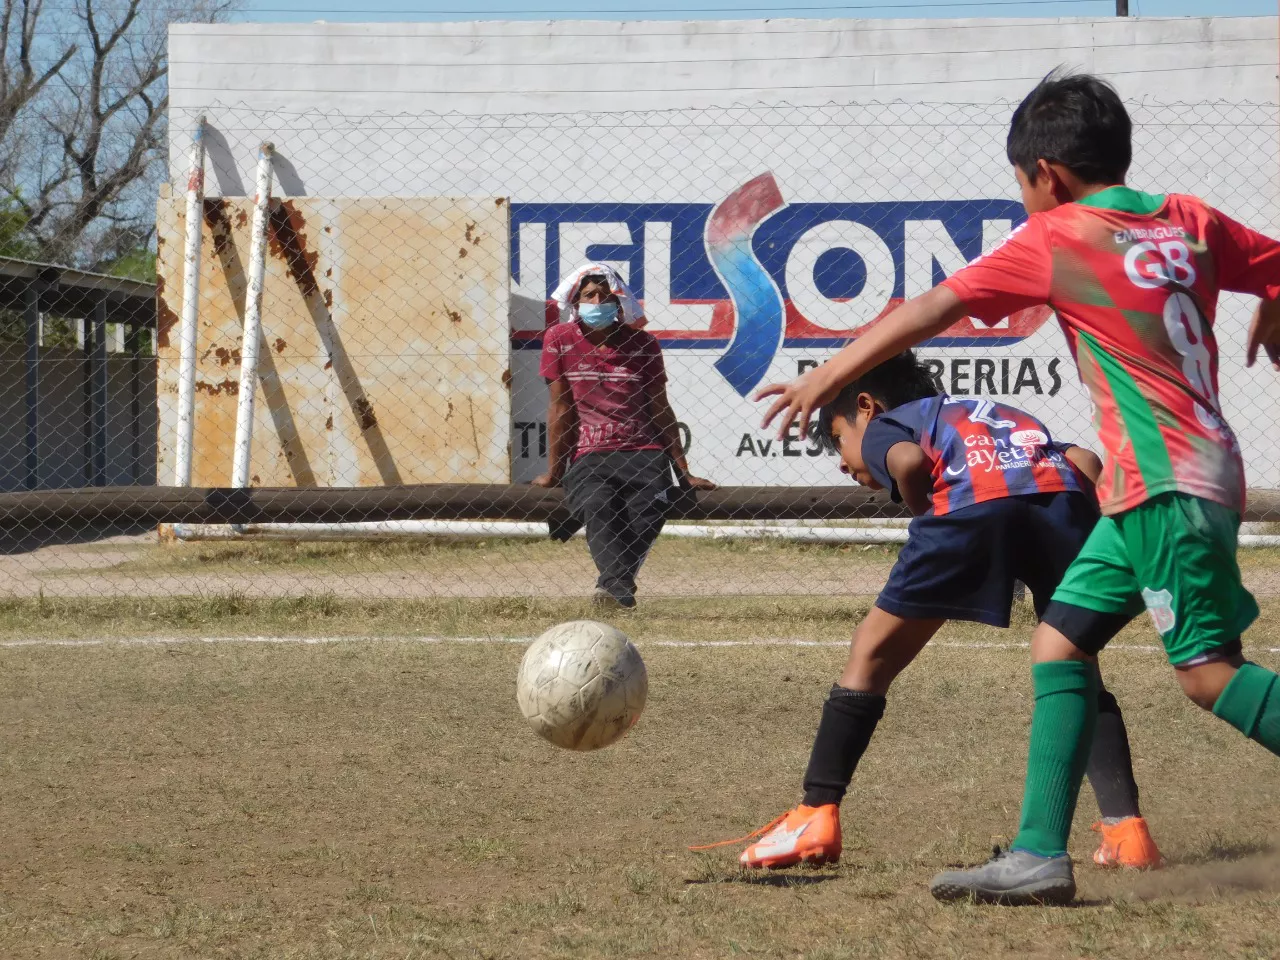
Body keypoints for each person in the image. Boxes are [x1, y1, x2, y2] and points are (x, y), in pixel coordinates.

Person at [757, 70, 1280, 906]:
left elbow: (933, 306)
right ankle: (1040, 854)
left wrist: (829, 372)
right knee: (1060, 643)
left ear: (1047, 174)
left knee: (1208, 675)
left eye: (1022, 188)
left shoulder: (1062, 234)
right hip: (1169, 479)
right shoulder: (1190, 218)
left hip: (1162, 482)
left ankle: (1050, 848)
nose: (1026, 204)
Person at [692, 349, 1161, 873]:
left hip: (971, 506)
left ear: (865, 407)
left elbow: (909, 462)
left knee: (869, 654)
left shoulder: (889, 423)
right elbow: (1084, 461)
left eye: (839, 440)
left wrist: (931, 516)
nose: (845, 461)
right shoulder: (988, 411)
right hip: (1061, 498)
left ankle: (815, 814)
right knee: (1077, 671)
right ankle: (1127, 832)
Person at [532, 263, 715, 609]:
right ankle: (618, 586)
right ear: (575, 301)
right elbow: (560, 409)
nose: (597, 301)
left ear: (619, 305)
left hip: (645, 451)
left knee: (646, 509)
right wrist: (555, 471)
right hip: (591, 453)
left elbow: (660, 408)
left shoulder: (643, 344)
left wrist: (683, 471)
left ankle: (612, 586)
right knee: (598, 503)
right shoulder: (559, 339)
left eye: (605, 295)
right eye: (589, 295)